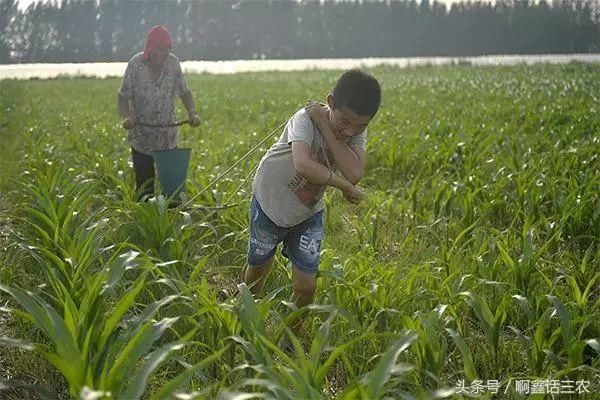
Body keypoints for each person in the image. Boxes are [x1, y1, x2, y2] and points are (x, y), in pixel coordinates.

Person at [244, 69, 381, 346]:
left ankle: (286, 345)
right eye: (344, 122)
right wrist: (343, 187)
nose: (351, 132)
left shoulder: (350, 130)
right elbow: (303, 166)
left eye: (361, 127)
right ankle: (246, 322)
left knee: (306, 287)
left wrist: (330, 129)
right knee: (258, 270)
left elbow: (354, 172)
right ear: (330, 101)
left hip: (307, 213)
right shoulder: (304, 119)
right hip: (271, 202)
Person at [118, 24, 201, 200]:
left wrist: (192, 112)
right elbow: (123, 96)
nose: (164, 55)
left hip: (167, 139)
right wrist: (127, 117)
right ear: (150, 50)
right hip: (142, 138)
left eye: (167, 50)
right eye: (160, 50)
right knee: (145, 190)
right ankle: (147, 223)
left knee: (173, 191)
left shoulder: (173, 64)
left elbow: (184, 92)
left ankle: (171, 222)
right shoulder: (135, 65)